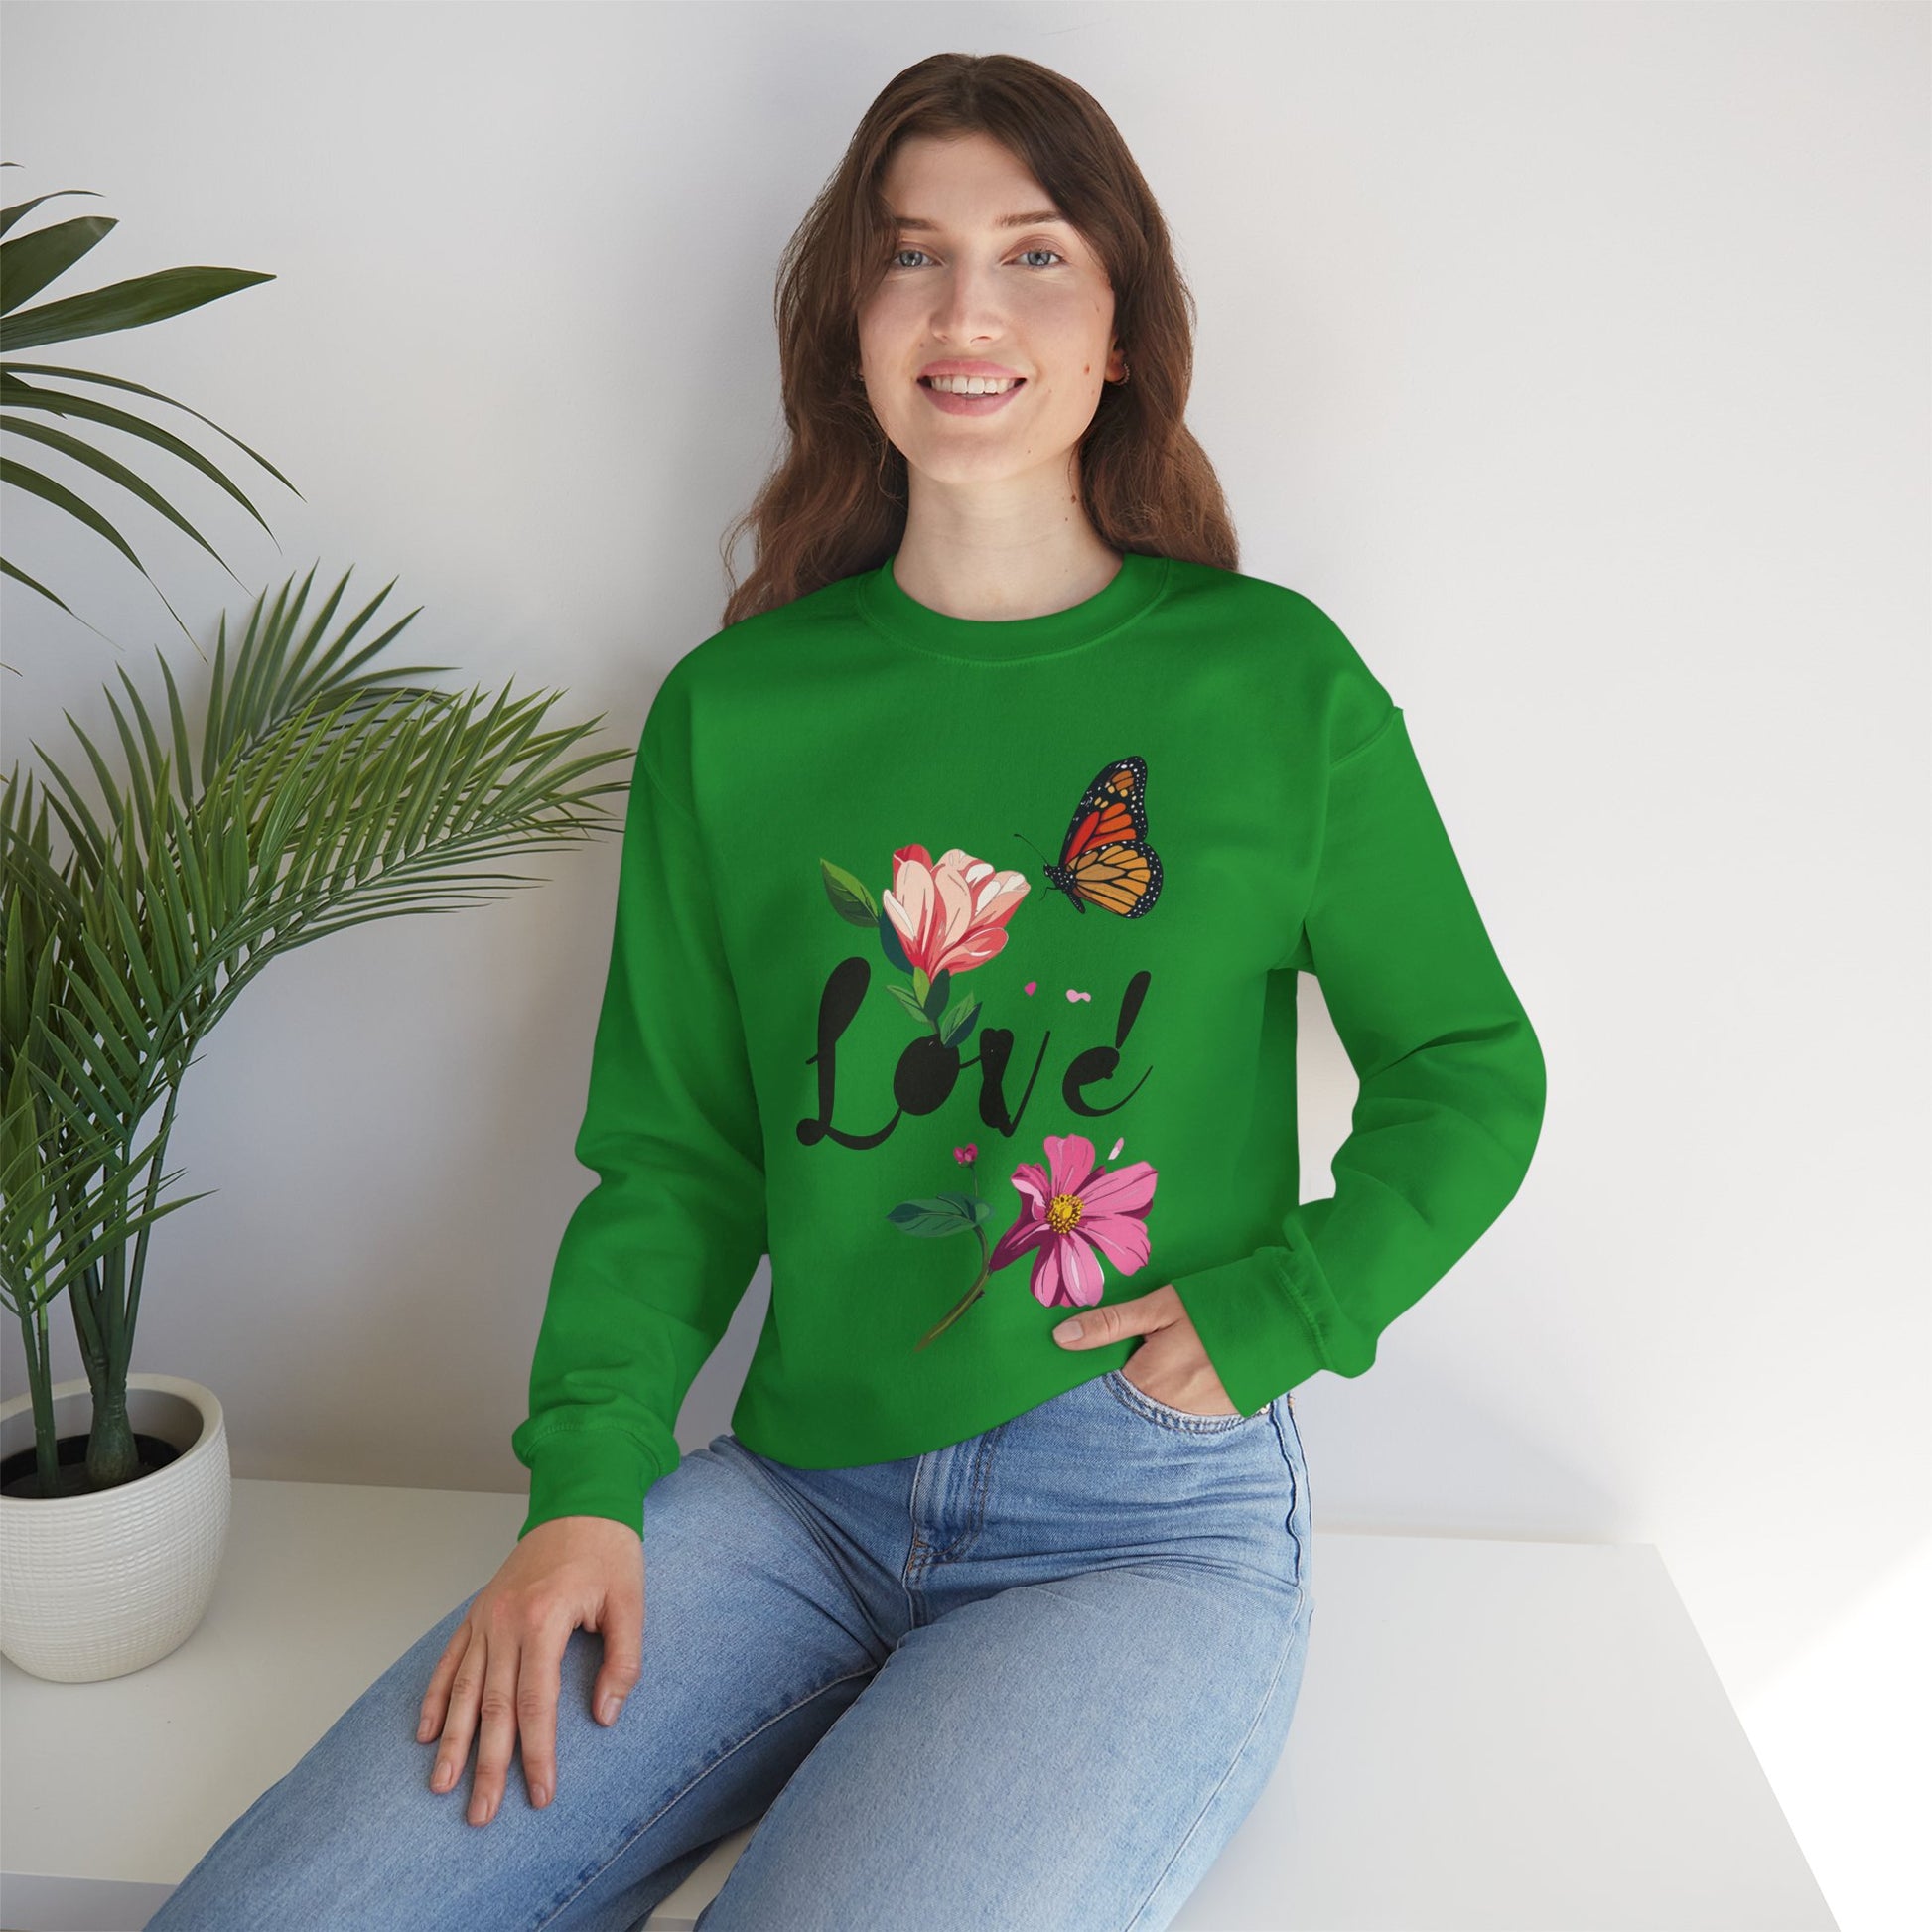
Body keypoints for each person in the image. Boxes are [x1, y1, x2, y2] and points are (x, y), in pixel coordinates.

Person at [146, 51, 1545, 1932]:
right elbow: (679, 1156)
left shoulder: (1270, 684)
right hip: (795, 1495)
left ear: (1120, 329)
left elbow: (1467, 1066)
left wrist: (1288, 1303)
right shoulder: (736, 712)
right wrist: (585, 1486)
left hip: (1136, 1522)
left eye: (1033, 255)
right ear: (850, 324)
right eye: (910, 256)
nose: (967, 310)